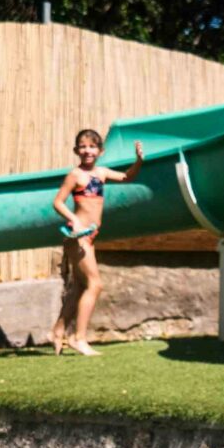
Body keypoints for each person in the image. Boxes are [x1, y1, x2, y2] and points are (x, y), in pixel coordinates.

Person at [51, 128, 145, 356]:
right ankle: (78, 338)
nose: (87, 151)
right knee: (95, 284)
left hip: (89, 237)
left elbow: (127, 176)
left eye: (92, 147)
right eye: (83, 146)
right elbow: (58, 202)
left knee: (79, 287)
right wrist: (74, 219)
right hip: (78, 238)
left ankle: (57, 331)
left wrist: (138, 161)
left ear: (100, 151)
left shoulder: (101, 173)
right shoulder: (75, 175)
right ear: (76, 150)